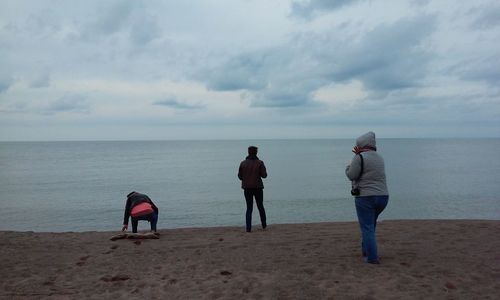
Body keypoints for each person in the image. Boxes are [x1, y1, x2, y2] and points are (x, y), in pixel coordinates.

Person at [345, 131, 389, 264]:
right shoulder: (379, 157)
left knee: (367, 227)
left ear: (361, 144)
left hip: (366, 197)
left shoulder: (360, 157)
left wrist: (348, 166)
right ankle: (366, 250)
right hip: (383, 197)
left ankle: (372, 258)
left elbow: (352, 175)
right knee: (370, 225)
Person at [238, 146, 268, 232]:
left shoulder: (243, 163)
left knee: (249, 207)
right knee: (260, 206)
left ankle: (248, 228)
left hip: (247, 188)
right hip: (258, 187)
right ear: (256, 153)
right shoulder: (260, 163)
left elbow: (240, 176)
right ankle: (264, 225)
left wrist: (246, 177)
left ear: (248, 152)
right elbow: (264, 175)